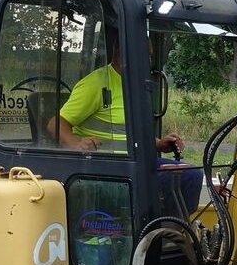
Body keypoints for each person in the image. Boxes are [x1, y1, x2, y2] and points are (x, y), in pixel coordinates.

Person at [52, 28, 203, 216]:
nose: (148, 62)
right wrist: (76, 144)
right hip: (108, 166)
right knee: (174, 179)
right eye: (144, 55)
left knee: (192, 175)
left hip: (135, 162)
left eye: (149, 56)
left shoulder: (134, 85)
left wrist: (158, 143)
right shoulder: (96, 84)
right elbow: (55, 124)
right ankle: (155, 228)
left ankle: (169, 230)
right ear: (122, 53)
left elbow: (129, 132)